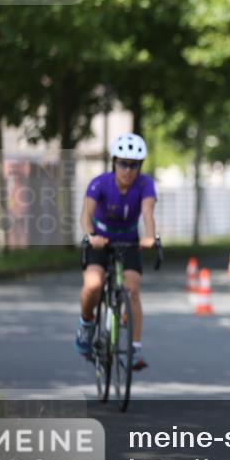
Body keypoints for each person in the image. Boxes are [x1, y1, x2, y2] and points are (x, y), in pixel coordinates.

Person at [74, 133, 157, 371]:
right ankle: (86, 324)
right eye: (123, 163)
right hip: (100, 240)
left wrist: (150, 237)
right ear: (114, 162)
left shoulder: (145, 184)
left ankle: (134, 349)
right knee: (93, 284)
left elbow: (148, 212)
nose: (128, 170)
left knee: (132, 291)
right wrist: (91, 236)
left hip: (129, 241)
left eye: (134, 165)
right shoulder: (99, 183)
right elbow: (85, 215)